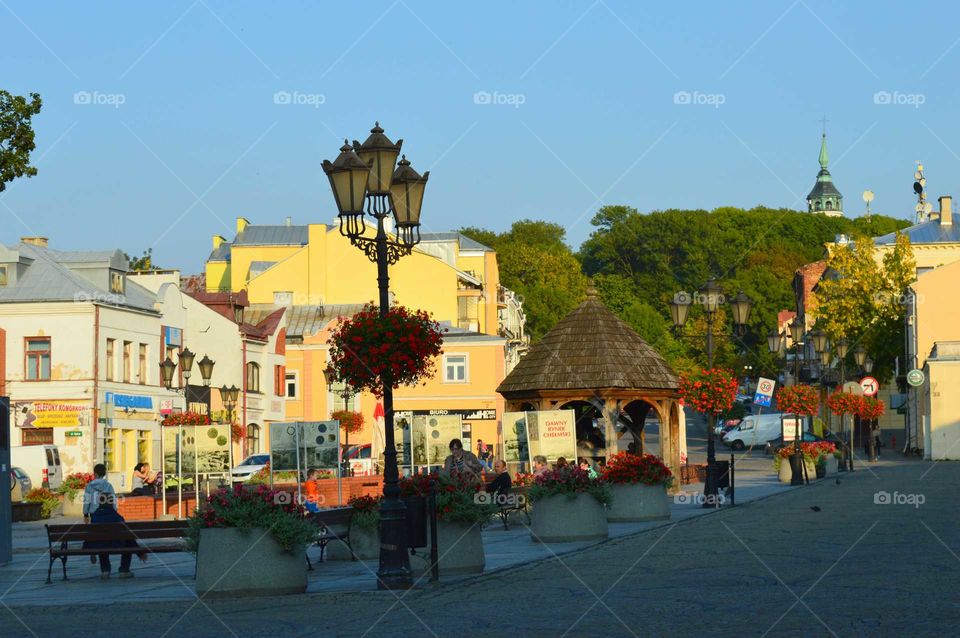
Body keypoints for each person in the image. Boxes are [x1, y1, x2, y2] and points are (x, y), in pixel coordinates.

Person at [83, 463, 145, 579]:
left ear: (95, 474)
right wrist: (114, 511)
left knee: (99, 538)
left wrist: (86, 513)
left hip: (96, 517)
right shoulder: (108, 486)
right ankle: (124, 569)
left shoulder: (89, 486)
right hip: (112, 520)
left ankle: (105, 570)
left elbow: (86, 501)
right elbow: (114, 502)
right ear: (104, 473)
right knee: (117, 538)